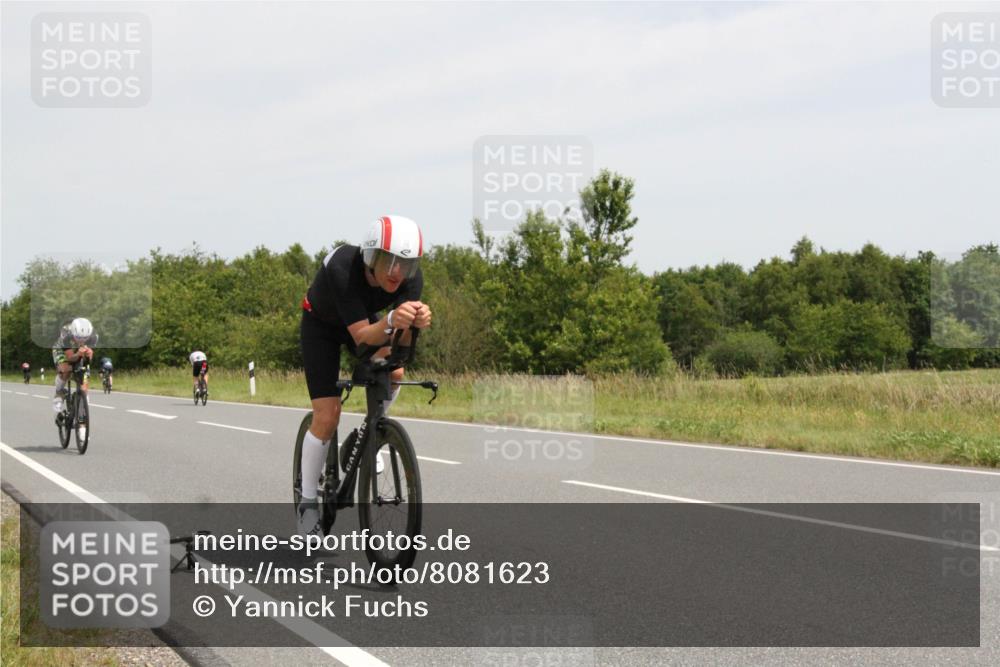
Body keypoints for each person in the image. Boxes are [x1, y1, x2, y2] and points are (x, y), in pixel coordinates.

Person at [297, 215, 432, 537]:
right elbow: (361, 338)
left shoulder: (411, 280)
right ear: (372, 256)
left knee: (395, 370)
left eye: (406, 264)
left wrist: (414, 325)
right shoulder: (343, 266)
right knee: (327, 415)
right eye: (390, 262)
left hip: (366, 321)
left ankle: (369, 435)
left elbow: (399, 345)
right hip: (322, 326)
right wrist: (391, 321)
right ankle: (307, 504)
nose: (398, 272)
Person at [52, 318, 98, 415]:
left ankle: (83, 399)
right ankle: (59, 392)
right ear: (73, 333)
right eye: (78, 338)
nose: (82, 341)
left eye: (85, 338)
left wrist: (88, 356)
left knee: (84, 374)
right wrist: (77, 355)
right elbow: (70, 358)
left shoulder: (93, 337)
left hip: (78, 350)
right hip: (62, 350)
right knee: (65, 370)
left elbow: (87, 361)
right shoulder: (66, 336)